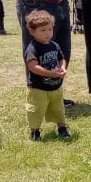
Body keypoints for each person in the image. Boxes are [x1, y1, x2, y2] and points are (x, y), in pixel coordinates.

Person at [23, 9, 70, 141]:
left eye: (50, 29)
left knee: (59, 109)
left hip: (56, 87)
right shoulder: (33, 48)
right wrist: (50, 73)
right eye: (43, 30)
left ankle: (62, 128)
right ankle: (35, 132)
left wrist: (62, 68)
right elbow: (32, 66)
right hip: (39, 88)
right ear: (32, 31)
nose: (47, 33)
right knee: (36, 111)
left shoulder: (54, 45)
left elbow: (62, 58)